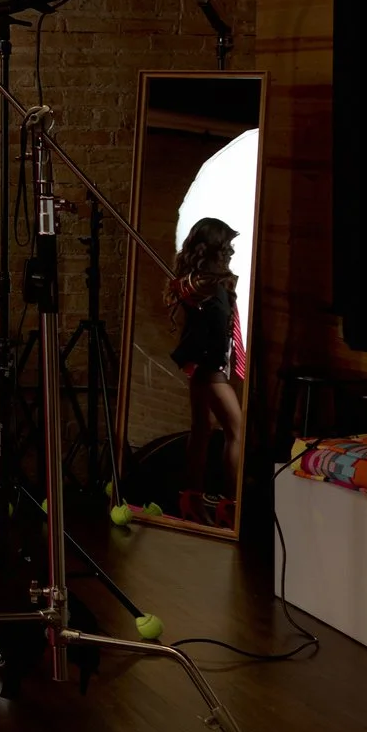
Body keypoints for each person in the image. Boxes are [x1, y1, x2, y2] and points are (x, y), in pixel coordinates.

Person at [169, 217, 246, 522]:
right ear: (210, 248)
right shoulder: (204, 288)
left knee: (201, 431)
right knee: (236, 430)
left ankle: (193, 499)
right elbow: (206, 330)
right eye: (225, 246)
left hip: (207, 368)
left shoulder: (209, 286)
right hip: (209, 370)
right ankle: (231, 503)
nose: (230, 252)